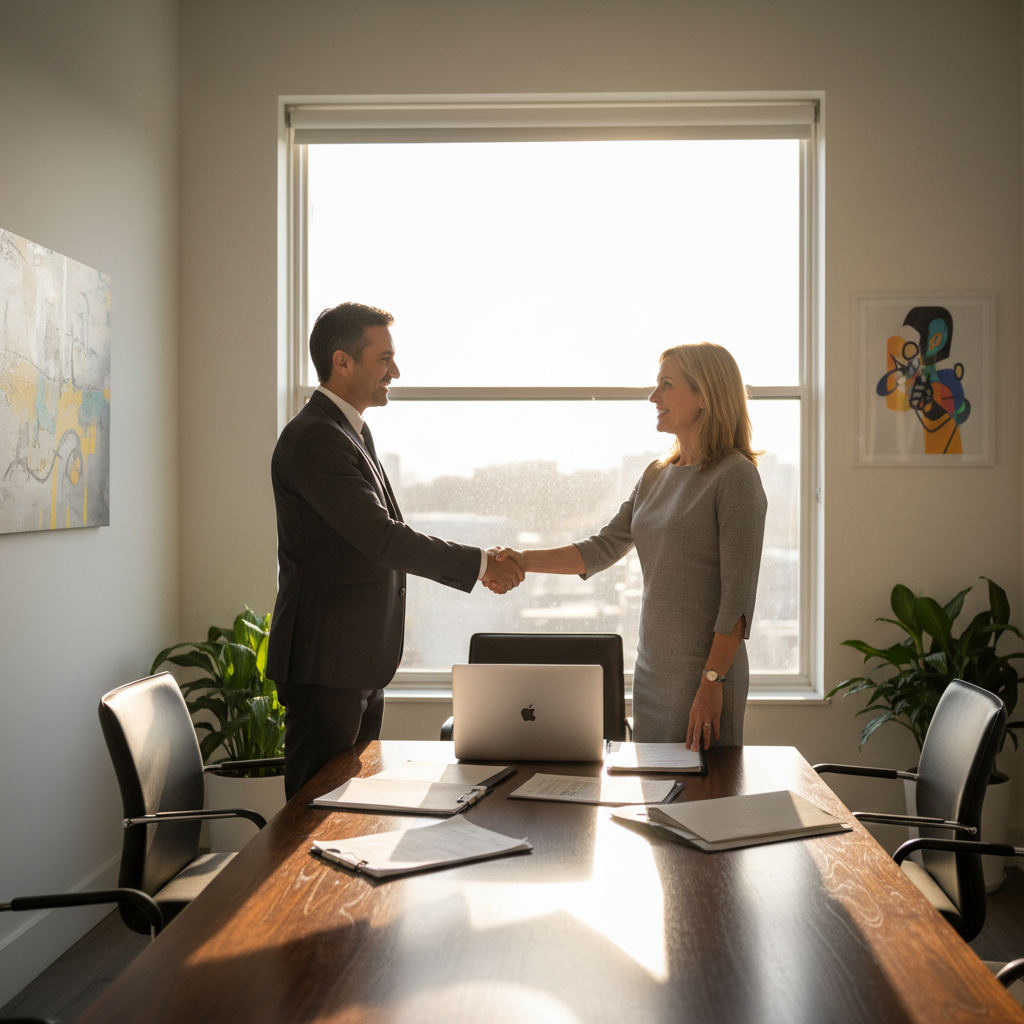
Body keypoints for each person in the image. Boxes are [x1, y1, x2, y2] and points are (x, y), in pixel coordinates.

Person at [267, 302, 524, 798]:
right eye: (384, 358)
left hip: (357, 660)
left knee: (352, 804)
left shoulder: (351, 431)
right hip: (327, 664)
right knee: (311, 815)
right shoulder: (316, 438)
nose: (395, 372)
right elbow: (382, 537)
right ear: (342, 362)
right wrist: (481, 563)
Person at [495, 343, 766, 751]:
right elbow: (602, 548)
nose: (653, 398)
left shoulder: (736, 478)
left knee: (703, 802)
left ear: (704, 395)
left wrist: (712, 682)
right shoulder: (656, 475)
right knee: (656, 801)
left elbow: (737, 603)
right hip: (652, 673)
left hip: (706, 676)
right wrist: (522, 560)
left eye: (666, 385)